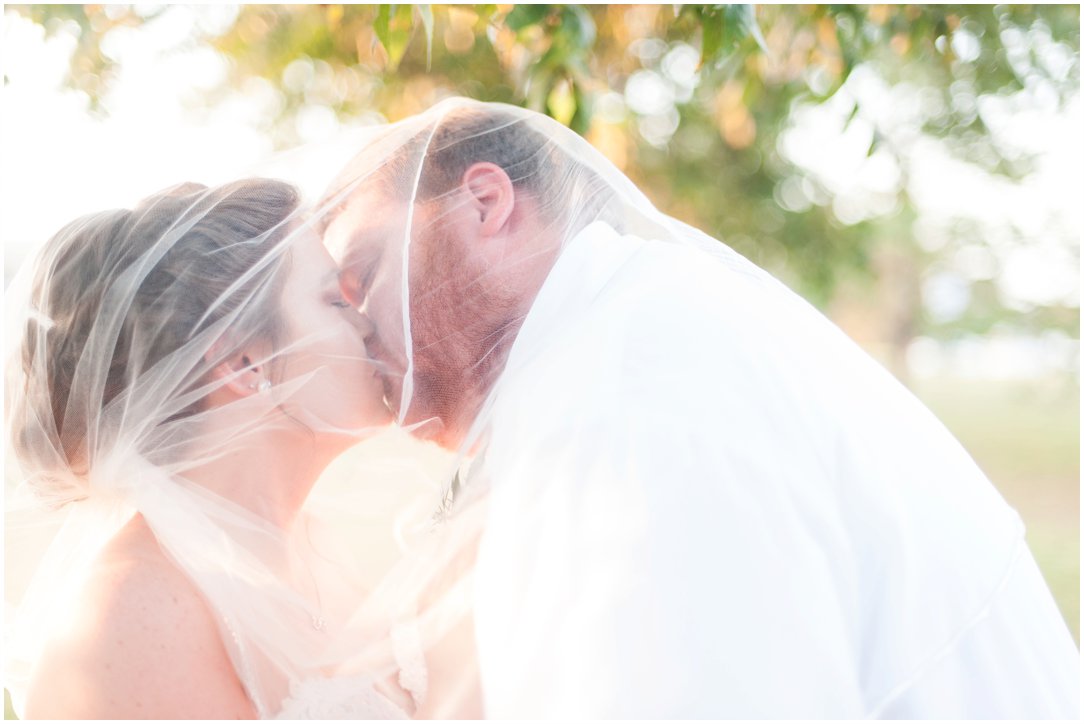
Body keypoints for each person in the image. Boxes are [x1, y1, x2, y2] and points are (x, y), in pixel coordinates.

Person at [319, 98, 1081, 718]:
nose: (357, 325)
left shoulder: (623, 403)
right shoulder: (641, 324)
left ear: (484, 203)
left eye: (366, 270)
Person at [3, 179, 424, 718]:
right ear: (243, 364)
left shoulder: (328, 550)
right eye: (335, 301)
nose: (366, 323)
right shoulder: (138, 616)